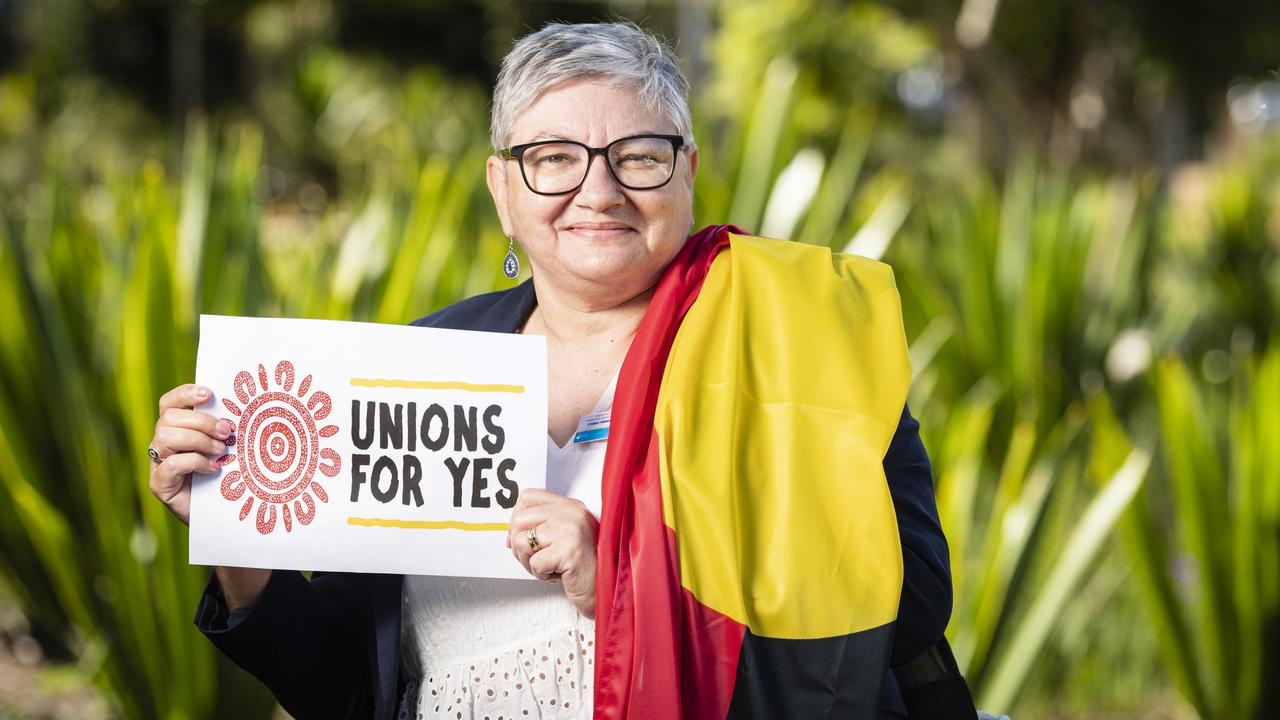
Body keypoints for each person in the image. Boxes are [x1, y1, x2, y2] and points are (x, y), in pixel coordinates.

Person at [146, 22, 951, 720]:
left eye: (639, 155)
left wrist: (624, 590)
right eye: (554, 158)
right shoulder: (425, 365)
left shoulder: (790, 345)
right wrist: (235, 536)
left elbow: (907, 608)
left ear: (688, 171)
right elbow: (352, 690)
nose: (598, 191)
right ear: (504, 190)